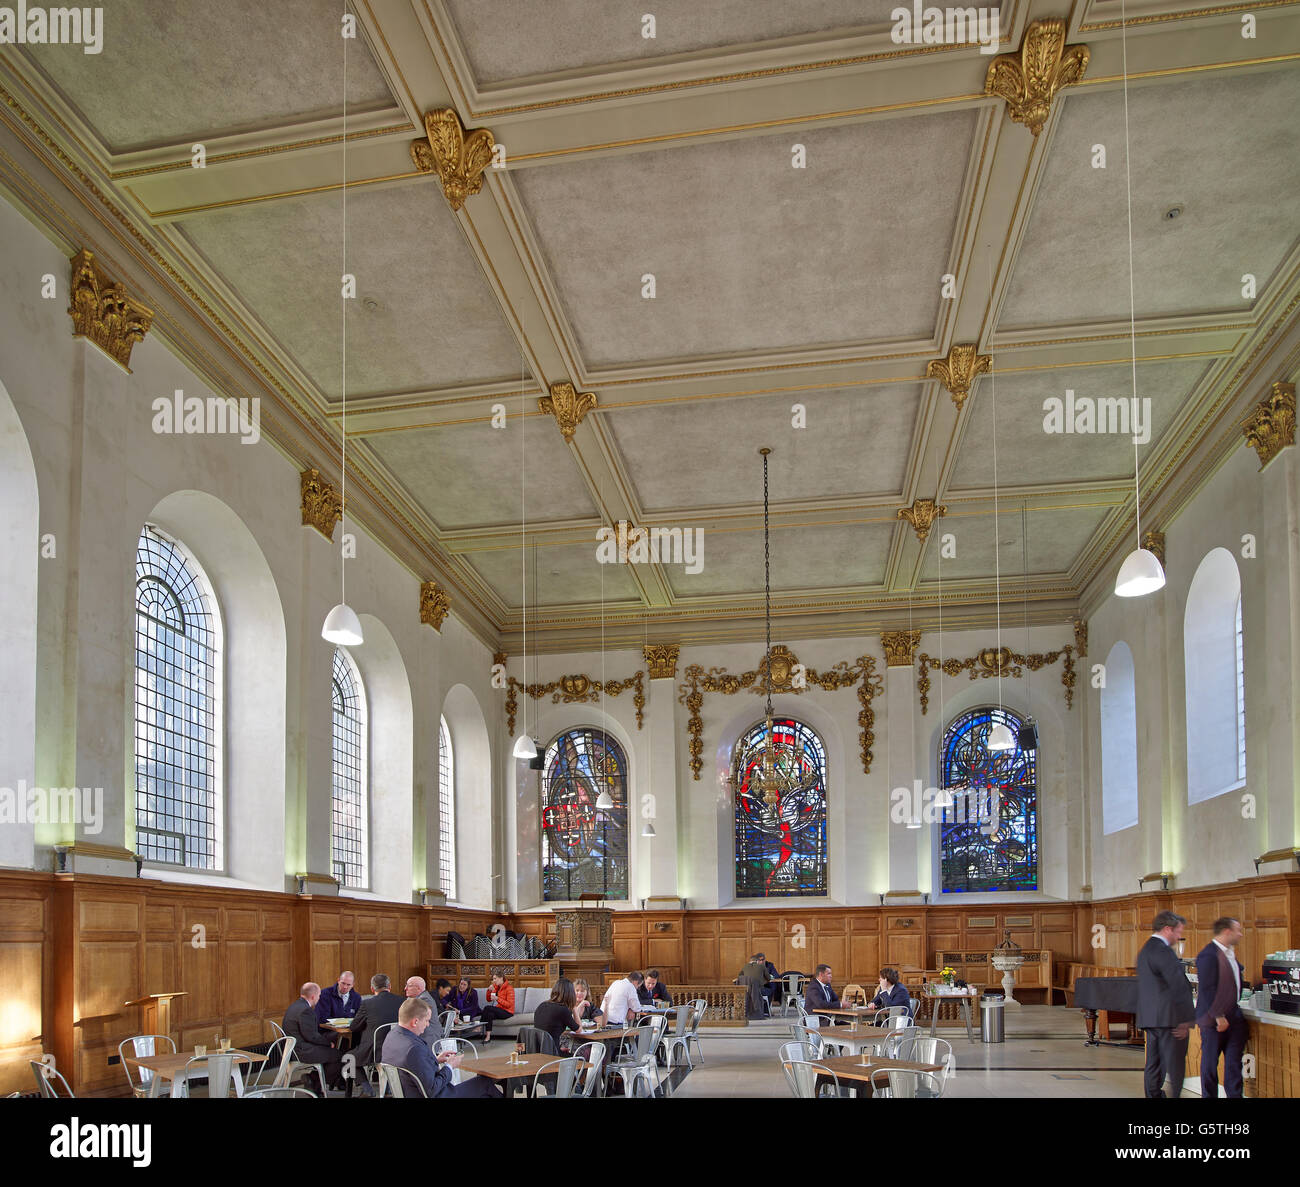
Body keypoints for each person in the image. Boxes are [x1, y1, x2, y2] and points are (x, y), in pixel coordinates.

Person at [380, 997, 501, 1098]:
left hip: (409, 1091)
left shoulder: (392, 1036)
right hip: (435, 1095)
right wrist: (449, 1066)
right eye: (426, 1020)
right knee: (484, 1082)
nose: (427, 1025)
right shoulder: (413, 1048)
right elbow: (432, 1090)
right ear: (415, 1022)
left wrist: (436, 1060)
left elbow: (412, 1066)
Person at [1137, 910, 1196, 1098]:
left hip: (1151, 1017)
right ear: (1168, 929)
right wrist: (1186, 1018)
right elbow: (1178, 984)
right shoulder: (1163, 951)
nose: (1179, 937)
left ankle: (1153, 1095)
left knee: (1154, 1064)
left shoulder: (1146, 948)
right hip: (1169, 1018)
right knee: (1176, 1065)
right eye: (1178, 932)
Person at [1195, 916, 1248, 1099]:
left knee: (1234, 1063)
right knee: (1210, 1064)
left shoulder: (1230, 953)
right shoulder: (1208, 954)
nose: (1240, 934)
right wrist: (1218, 1015)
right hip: (1213, 1020)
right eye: (1237, 930)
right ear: (1227, 931)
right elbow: (1207, 988)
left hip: (1234, 1017)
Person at [283, 982, 345, 1094]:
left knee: (330, 1050)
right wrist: (328, 1043)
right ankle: (315, 1081)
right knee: (339, 1056)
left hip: (291, 1048)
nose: (319, 998)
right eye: (319, 995)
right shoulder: (306, 1010)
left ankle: (313, 1080)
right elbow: (312, 1036)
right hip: (301, 1051)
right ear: (313, 996)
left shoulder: (294, 1006)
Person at [349, 973, 402, 1096]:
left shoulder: (367, 1004)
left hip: (375, 1050)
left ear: (372, 989)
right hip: (397, 1049)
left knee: (348, 1058)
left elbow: (354, 1027)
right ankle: (388, 1089)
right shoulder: (402, 1001)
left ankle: (366, 1089)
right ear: (390, 986)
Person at [530, 978, 580, 1054]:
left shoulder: (542, 1005)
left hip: (538, 1052)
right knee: (582, 1058)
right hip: (552, 1055)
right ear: (570, 994)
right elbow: (579, 1030)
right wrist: (575, 1009)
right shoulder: (563, 1010)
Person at [480, 971, 515, 1043]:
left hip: (508, 1012)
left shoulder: (509, 988)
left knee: (487, 1008)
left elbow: (509, 1005)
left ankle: (479, 1026)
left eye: (495, 979)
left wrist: (497, 999)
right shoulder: (496, 987)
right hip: (499, 1010)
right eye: (493, 979)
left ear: (501, 978)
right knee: (489, 1014)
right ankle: (488, 1037)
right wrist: (489, 991)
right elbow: (489, 999)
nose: (493, 981)